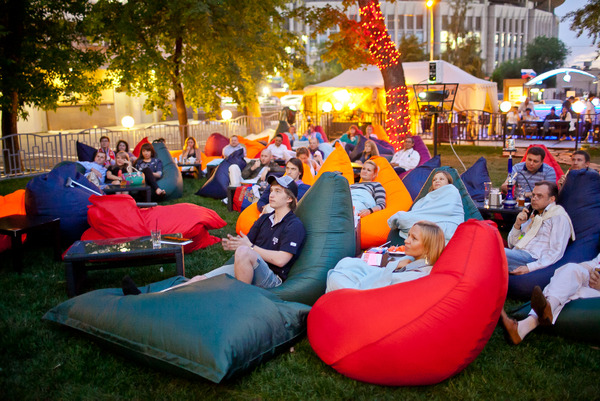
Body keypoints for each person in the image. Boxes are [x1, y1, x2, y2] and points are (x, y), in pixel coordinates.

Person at [121, 175, 306, 295]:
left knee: (243, 252)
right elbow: (247, 242)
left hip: (272, 279)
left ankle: (241, 301)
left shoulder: (294, 225)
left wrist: (248, 247)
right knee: (199, 280)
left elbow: (280, 260)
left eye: (278, 192)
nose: (271, 195)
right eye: (271, 190)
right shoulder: (265, 218)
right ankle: (148, 297)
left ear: (289, 199)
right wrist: (237, 244)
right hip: (251, 266)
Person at [500, 254, 600, 345]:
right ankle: (525, 327)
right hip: (589, 284)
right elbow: (593, 264)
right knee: (571, 269)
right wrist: (591, 273)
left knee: (566, 290)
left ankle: (526, 324)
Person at [326, 221, 445, 292]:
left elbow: (377, 287)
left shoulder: (417, 275)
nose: (406, 241)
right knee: (346, 262)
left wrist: (394, 266)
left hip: (370, 295)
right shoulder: (413, 259)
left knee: (335, 277)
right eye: (408, 235)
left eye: (414, 239)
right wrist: (396, 265)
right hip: (377, 281)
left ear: (428, 247)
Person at [504, 181, 574, 275]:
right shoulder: (534, 215)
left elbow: (556, 252)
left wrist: (530, 268)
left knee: (493, 251)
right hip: (518, 254)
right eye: (533, 195)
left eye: (539, 196)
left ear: (551, 199)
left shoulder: (558, 217)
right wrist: (517, 225)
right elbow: (513, 244)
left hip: (532, 259)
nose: (534, 198)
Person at [388, 171, 464, 244]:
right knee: (403, 218)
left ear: (448, 182)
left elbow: (450, 210)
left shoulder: (452, 190)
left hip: (446, 222)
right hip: (425, 222)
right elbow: (417, 213)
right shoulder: (427, 197)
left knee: (441, 231)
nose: (437, 181)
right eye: (434, 180)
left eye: (441, 179)